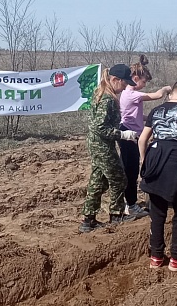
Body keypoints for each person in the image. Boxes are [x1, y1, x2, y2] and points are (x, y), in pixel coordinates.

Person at [138, 80, 177, 271]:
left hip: (154, 161)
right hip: (176, 164)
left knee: (157, 214)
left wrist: (145, 161)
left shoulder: (156, 111)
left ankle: (156, 258)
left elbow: (142, 140)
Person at [79, 64, 141, 233]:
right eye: (124, 83)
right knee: (119, 179)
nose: (125, 87)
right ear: (115, 80)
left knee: (97, 182)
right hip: (102, 146)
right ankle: (116, 214)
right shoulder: (107, 99)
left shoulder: (102, 93)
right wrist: (123, 135)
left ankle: (88, 220)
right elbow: (99, 127)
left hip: (98, 144)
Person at [119, 55, 171, 217]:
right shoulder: (130, 94)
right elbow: (156, 95)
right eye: (144, 81)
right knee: (131, 170)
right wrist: (166, 89)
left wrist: (150, 118)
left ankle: (129, 202)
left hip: (132, 133)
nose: (145, 85)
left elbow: (135, 115)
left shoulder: (131, 95)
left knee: (131, 169)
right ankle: (131, 204)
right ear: (135, 78)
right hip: (129, 137)